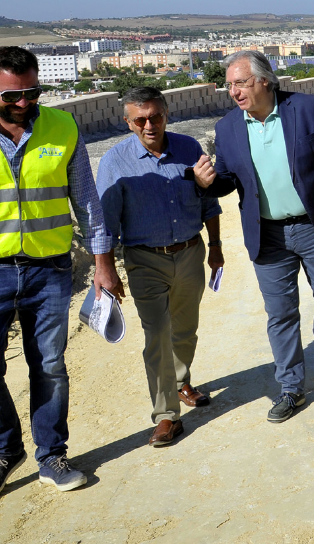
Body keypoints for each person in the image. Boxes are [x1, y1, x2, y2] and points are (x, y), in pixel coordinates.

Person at [0, 46, 123, 504]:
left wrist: (103, 264)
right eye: (12, 95)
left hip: (48, 269)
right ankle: (4, 450)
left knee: (49, 366)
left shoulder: (62, 126)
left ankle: (52, 454)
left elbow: (86, 202)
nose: (24, 102)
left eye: (33, 92)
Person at [191, 51, 314, 424]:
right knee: (280, 314)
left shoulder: (306, 108)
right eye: (229, 85)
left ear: (265, 79)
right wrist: (207, 183)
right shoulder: (227, 128)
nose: (234, 92)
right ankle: (291, 388)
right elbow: (228, 181)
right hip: (267, 235)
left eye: (241, 83)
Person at [96, 86, 223, 447]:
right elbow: (105, 222)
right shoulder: (114, 162)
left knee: (185, 329)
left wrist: (215, 247)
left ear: (167, 114)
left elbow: (209, 202)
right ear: (128, 122)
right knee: (156, 335)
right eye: (140, 119)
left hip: (190, 252)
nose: (149, 125)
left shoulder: (189, 148)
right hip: (144, 260)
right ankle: (166, 415)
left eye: (156, 116)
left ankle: (181, 381)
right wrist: (105, 269)